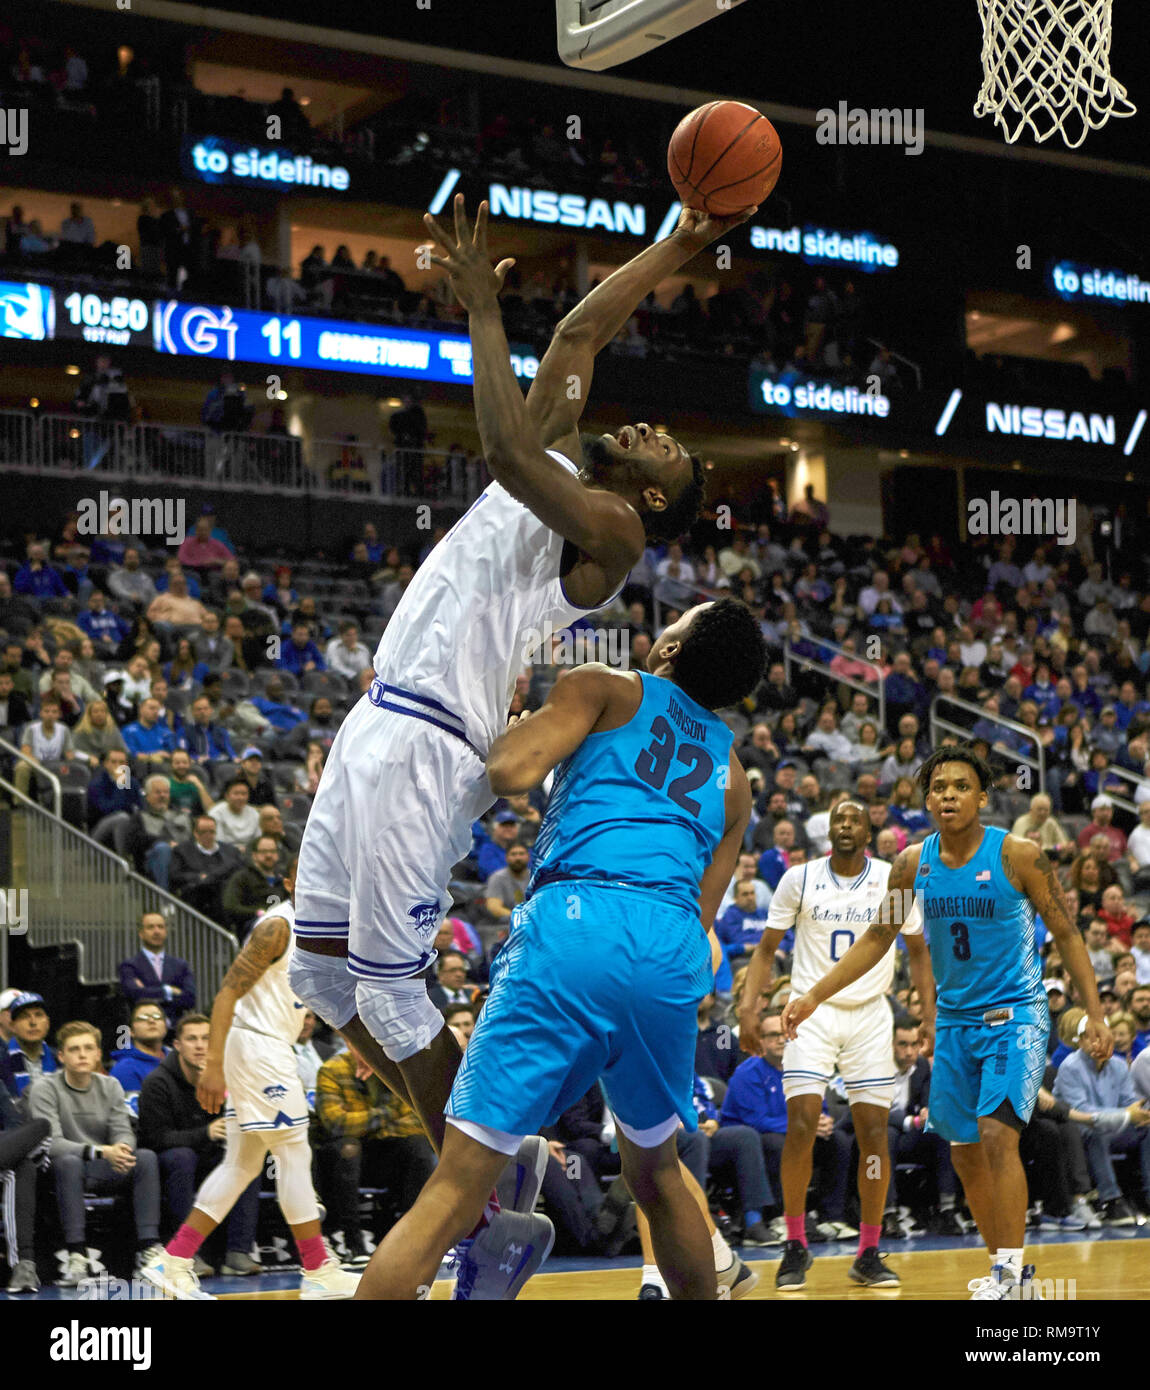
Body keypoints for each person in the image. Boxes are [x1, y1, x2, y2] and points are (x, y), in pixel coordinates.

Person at [288, 192, 751, 1292]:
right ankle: (502, 1150)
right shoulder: (561, 452)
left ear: (651, 498)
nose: (653, 430)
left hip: (433, 743)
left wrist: (483, 307)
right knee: (319, 971)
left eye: (670, 450)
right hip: (375, 719)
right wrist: (674, 245)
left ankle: (485, 1194)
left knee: (396, 992)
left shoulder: (612, 528)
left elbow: (497, 440)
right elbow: (583, 336)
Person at [363, 597, 767, 1300]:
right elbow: (700, 910)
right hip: (672, 946)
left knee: (459, 1180)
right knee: (658, 1173)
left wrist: (517, 727)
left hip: (578, 918)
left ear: (669, 651)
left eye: (674, 623)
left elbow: (509, 770)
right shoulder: (735, 779)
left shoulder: (604, 685)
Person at [783, 744, 1112, 1301]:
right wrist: (813, 994)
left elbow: (1069, 934)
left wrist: (1097, 1014)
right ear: (926, 798)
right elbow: (878, 938)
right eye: (938, 787)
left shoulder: (1021, 855)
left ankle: (1011, 1275)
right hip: (958, 1023)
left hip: (1018, 1016)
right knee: (963, 1151)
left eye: (961, 786)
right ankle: (1003, 1269)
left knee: (996, 1134)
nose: (949, 795)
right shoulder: (913, 863)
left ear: (983, 797)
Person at [141, 864, 360, 1300]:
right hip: (256, 1045)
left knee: (242, 1163)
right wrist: (215, 1064)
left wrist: (360, 1048)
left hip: (269, 1046)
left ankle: (174, 1259)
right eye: (310, 874)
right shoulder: (277, 927)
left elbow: (333, 1002)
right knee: (295, 1150)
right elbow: (226, 993)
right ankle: (318, 1268)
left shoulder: (328, 934)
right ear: (290, 883)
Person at [738, 798, 931, 1289]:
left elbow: (919, 954)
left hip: (870, 1014)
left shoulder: (894, 879)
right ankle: (795, 1243)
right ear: (829, 830)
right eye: (838, 818)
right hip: (812, 1012)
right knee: (801, 1121)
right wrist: (747, 1008)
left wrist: (929, 1014)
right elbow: (765, 951)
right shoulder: (798, 879)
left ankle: (869, 1249)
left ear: (870, 830)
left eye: (855, 819)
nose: (846, 824)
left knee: (873, 1132)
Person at [30, 1021, 163, 1287]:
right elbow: (51, 1143)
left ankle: (149, 1249)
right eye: (74, 1049)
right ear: (61, 1056)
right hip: (60, 1169)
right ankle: (76, 1255)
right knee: (68, 1162)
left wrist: (123, 1149)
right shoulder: (45, 1088)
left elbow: (123, 1130)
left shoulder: (110, 1085)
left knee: (145, 1158)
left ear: (98, 1054)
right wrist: (102, 1151)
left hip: (102, 1165)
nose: (82, 1054)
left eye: (88, 1048)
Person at [138, 1012, 262, 1277]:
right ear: (178, 1045)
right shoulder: (157, 1083)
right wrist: (205, 1133)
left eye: (207, 1038)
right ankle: (186, 1253)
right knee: (182, 1157)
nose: (200, 1045)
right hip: (169, 1161)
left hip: (210, 1155)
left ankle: (237, 1252)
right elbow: (153, 1138)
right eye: (192, 1039)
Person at [118, 911, 197, 1031]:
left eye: (160, 927)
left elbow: (190, 999)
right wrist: (169, 991)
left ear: (165, 931)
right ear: (141, 933)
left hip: (175, 1032)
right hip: (143, 1033)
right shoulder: (129, 965)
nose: (156, 931)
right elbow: (136, 995)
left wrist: (147, 990)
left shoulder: (181, 965)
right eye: (150, 927)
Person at [109, 1002, 170, 1116]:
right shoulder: (125, 1069)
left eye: (157, 1017)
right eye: (142, 1018)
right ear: (131, 1032)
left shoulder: (179, 1059)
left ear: (166, 1027)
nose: (151, 1021)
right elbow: (135, 1118)